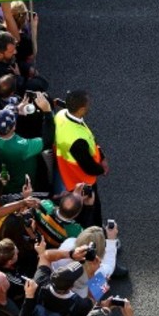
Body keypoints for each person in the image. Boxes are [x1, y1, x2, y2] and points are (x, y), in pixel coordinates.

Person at [54, 90, 108, 224]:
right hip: (80, 179)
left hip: (66, 171)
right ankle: (97, 232)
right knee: (92, 209)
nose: (89, 106)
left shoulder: (61, 115)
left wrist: (101, 155)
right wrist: (101, 169)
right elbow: (89, 167)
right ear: (81, 109)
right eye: (88, 104)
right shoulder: (77, 140)